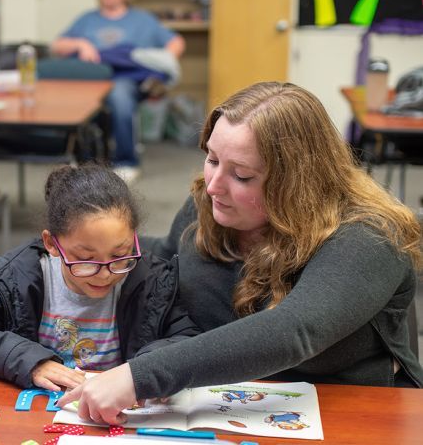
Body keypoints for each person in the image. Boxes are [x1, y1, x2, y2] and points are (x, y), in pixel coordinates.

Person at [59, 81, 423, 424]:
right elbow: (166, 273)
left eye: (242, 175)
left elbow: (292, 330)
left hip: (348, 414)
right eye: (213, 159)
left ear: (296, 182)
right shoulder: (209, 204)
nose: (214, 186)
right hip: (224, 407)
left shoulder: (370, 235)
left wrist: (139, 377)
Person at [0, 164, 200, 390]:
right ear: (51, 244)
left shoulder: (150, 281)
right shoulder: (19, 277)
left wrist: (144, 372)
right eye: (86, 259)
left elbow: (189, 340)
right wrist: (29, 361)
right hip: (38, 413)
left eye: (120, 254)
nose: (105, 273)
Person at [50, 0, 185, 183]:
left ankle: (126, 162)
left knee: (119, 96)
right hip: (94, 77)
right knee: (79, 100)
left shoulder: (142, 20)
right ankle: (84, 160)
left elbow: (176, 42)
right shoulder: (87, 19)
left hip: (125, 77)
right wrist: (81, 45)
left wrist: (159, 63)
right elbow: (57, 46)